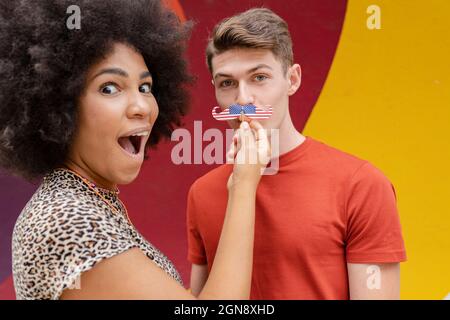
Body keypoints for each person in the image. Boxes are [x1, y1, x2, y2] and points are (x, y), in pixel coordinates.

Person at [1, 0, 269, 299]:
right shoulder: (68, 219)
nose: (142, 107)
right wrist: (244, 184)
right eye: (110, 87)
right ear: (58, 105)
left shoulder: (87, 200)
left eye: (145, 88)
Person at [187, 8, 407, 300]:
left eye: (259, 77)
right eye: (227, 83)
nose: (243, 100)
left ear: (292, 80)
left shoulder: (361, 185)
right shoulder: (202, 194)